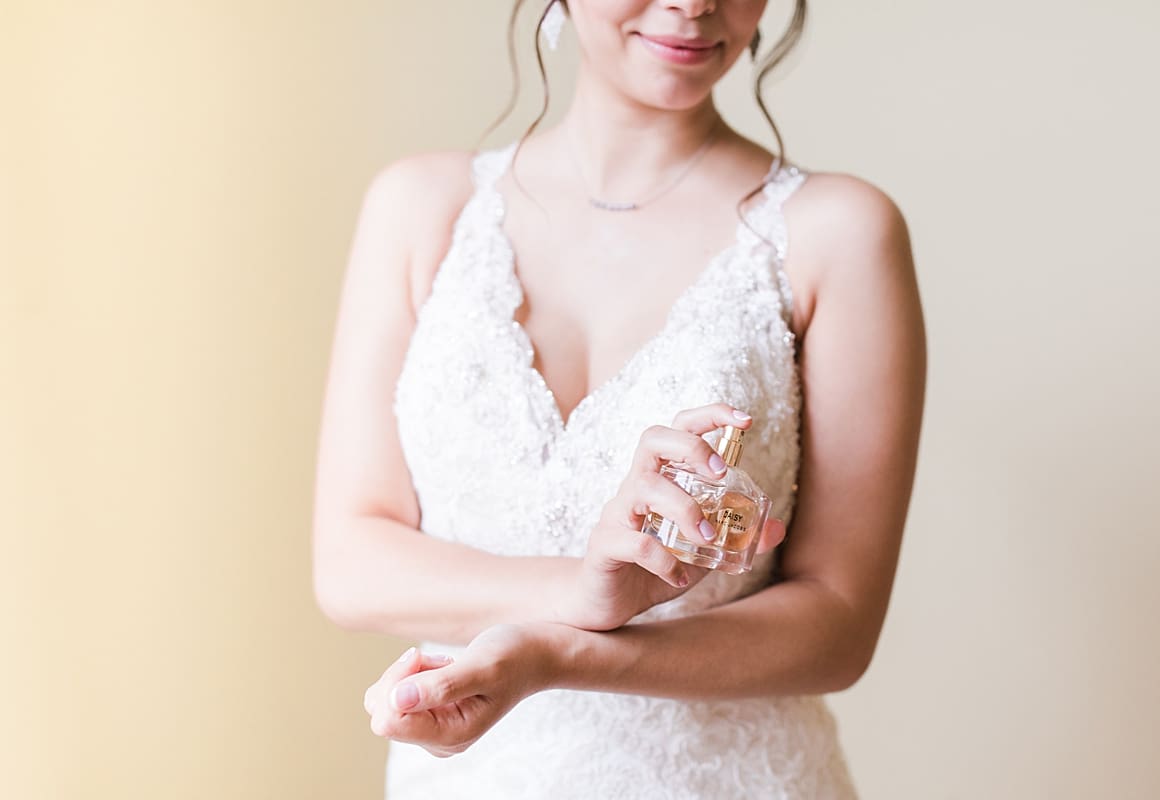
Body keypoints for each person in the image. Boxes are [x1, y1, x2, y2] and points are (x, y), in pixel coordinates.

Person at [312, 0, 925, 796]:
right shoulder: (421, 207)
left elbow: (838, 626)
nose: (696, 4)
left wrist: (559, 654)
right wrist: (575, 591)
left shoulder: (836, 232)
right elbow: (352, 563)